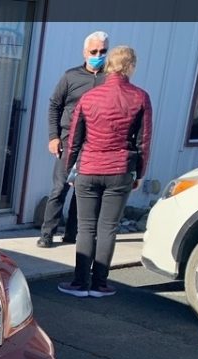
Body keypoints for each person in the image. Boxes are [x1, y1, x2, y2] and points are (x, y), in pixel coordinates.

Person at [58, 46, 152, 298]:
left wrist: (69, 170)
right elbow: (144, 140)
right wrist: (139, 172)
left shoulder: (90, 97)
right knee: (108, 228)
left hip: (89, 168)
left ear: (108, 65)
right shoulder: (140, 97)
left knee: (86, 227)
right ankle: (100, 284)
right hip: (120, 169)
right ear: (131, 66)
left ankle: (79, 283)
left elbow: (74, 139)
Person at [37, 31, 109, 249]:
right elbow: (54, 106)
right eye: (94, 51)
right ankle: (47, 234)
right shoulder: (71, 77)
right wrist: (53, 137)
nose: (98, 55)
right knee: (60, 188)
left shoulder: (110, 79)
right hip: (68, 141)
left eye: (103, 51)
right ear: (85, 52)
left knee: (83, 190)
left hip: (94, 144)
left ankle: (72, 233)